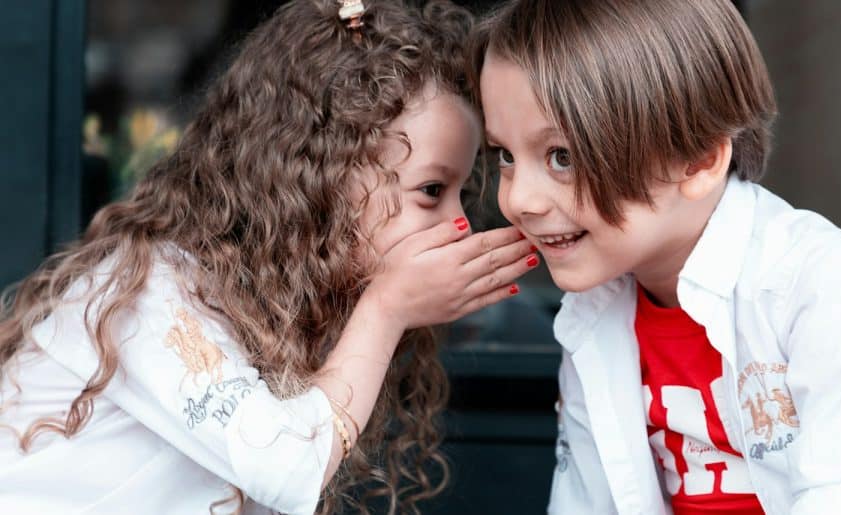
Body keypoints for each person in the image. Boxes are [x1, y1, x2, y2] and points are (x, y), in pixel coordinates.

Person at [0, 1, 539, 513]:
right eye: (430, 191)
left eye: (460, 197)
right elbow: (287, 468)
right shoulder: (151, 290)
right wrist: (387, 309)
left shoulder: (284, 303)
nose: (454, 225)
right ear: (322, 178)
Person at [470, 0, 841, 513]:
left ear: (698, 160)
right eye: (506, 156)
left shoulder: (821, 289)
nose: (519, 200)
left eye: (562, 157)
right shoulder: (593, 315)